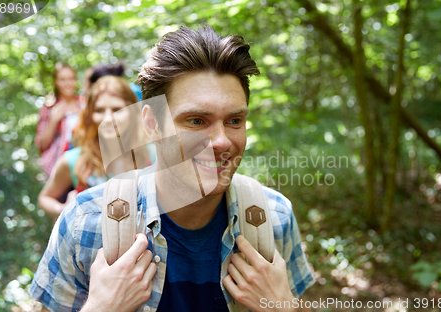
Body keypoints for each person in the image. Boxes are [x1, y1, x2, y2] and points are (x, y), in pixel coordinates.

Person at [30, 25, 314, 312]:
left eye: (234, 120)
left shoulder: (274, 218)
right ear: (152, 125)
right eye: (196, 121)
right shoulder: (84, 224)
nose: (221, 141)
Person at [37, 75, 153, 218]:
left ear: (132, 112)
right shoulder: (73, 161)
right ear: (89, 115)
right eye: (99, 110)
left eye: (117, 109)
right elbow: (45, 197)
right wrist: (62, 208)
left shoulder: (153, 156)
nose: (108, 118)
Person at [35, 63, 83, 177]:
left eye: (71, 79)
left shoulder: (84, 103)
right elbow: (42, 145)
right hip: (60, 167)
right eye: (62, 80)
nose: (68, 84)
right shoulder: (49, 107)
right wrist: (53, 120)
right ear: (55, 82)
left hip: (83, 163)